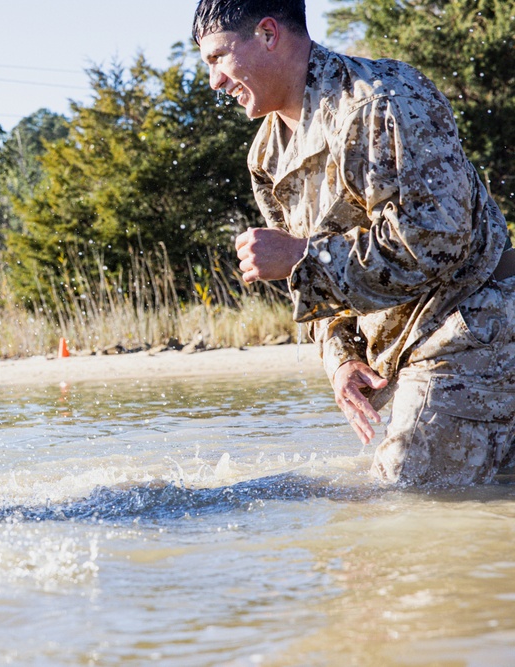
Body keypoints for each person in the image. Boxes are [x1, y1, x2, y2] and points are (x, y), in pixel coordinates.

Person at [192, 0, 515, 484]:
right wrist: (342, 358)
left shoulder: (383, 98)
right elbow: (318, 290)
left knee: (399, 502)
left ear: (267, 33)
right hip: (405, 353)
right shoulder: (266, 155)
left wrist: (303, 256)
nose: (214, 80)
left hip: (473, 324)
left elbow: (437, 240)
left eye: (218, 57)